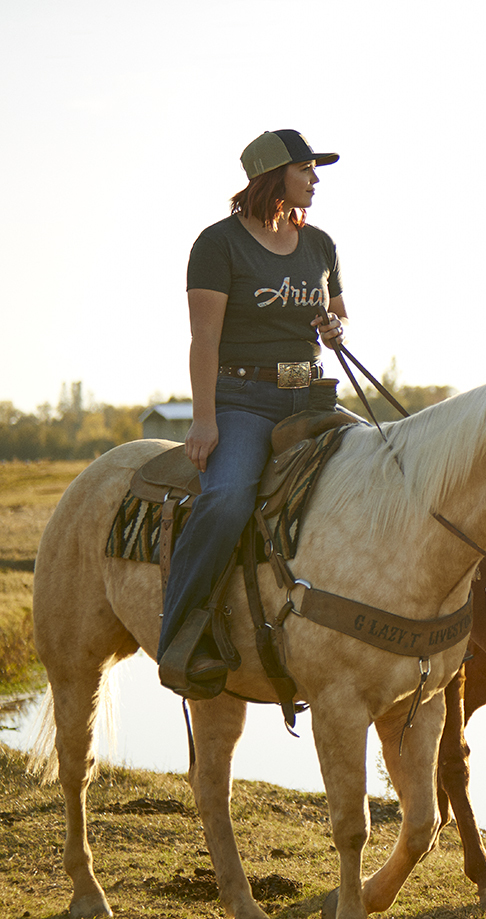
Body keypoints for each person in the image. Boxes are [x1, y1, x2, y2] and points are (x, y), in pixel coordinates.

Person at [157, 129, 348, 698]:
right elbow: (203, 341)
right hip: (243, 400)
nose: (316, 179)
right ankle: (182, 635)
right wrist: (204, 419)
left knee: (387, 470)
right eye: (307, 169)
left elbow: (337, 316)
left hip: (313, 395)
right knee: (227, 499)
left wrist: (334, 329)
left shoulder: (320, 244)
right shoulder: (218, 245)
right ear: (274, 176)